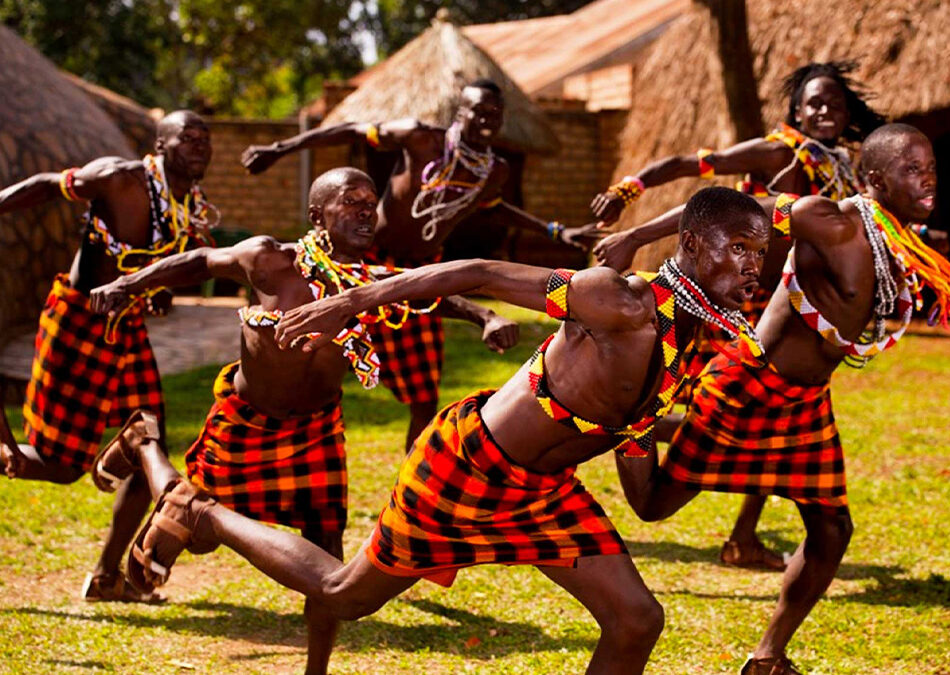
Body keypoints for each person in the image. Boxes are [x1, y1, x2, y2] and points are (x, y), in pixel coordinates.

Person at [91, 186, 771, 675]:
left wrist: (707, 454)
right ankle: (202, 510)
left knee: (637, 620)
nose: (751, 265)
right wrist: (355, 299)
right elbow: (480, 271)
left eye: (760, 253)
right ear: (689, 243)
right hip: (466, 466)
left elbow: (643, 480)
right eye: (738, 247)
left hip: (543, 491)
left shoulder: (697, 335)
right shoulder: (618, 300)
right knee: (345, 594)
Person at [89, 167, 518, 674]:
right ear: (317, 215)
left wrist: (486, 316)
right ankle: (143, 441)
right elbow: (199, 260)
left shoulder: (368, 283)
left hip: (317, 432)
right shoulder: (269, 260)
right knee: (200, 537)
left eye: (371, 203)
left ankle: (316, 670)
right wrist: (129, 282)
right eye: (351, 202)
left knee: (327, 555)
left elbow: (431, 291)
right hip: (245, 423)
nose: (366, 212)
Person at [615, 124, 950, 675]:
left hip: (807, 401)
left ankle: (767, 657)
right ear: (876, 180)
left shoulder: (901, 241)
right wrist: (635, 236)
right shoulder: (826, 220)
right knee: (653, 506)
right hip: (749, 386)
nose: (927, 181)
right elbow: (720, 215)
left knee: (832, 530)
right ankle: (625, 424)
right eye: (912, 170)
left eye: (930, 170)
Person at [592, 61, 887, 571]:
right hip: (734, 304)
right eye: (814, 103)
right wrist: (629, 198)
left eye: (835, 104)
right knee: (714, 410)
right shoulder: (778, 152)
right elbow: (694, 176)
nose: (825, 112)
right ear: (796, 111)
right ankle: (607, 428)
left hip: (786, 307)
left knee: (773, 420)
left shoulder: (840, 168)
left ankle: (741, 537)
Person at [241, 79, 597, 449]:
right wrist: (279, 149)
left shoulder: (494, 171)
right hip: (366, 264)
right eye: (478, 111)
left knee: (424, 394)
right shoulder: (421, 139)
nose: (486, 120)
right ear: (460, 112)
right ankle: (276, 430)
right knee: (315, 363)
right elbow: (351, 130)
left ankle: (413, 475)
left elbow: (492, 207)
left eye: (494, 113)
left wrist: (554, 231)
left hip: (423, 273)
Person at [0, 110, 215, 602]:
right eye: (188, 137)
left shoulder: (190, 205)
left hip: (128, 329)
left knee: (149, 449)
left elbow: (163, 263)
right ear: (161, 145)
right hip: (77, 323)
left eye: (205, 139)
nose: (200, 146)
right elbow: (46, 184)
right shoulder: (120, 179)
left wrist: (161, 290)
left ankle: (105, 577)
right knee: (60, 465)